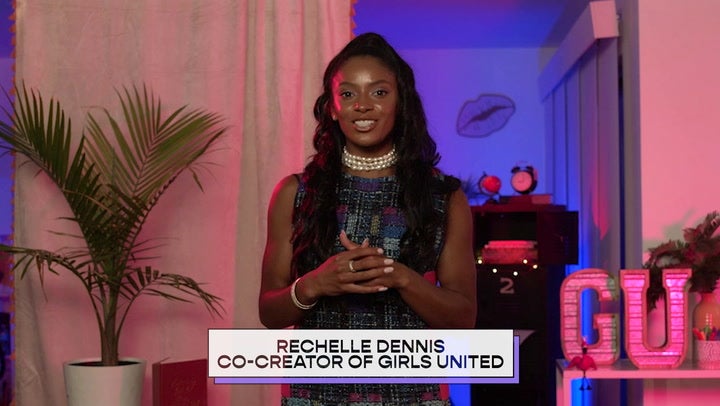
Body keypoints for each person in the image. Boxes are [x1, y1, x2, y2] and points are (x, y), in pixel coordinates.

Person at [259, 32, 477, 405]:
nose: (362, 105)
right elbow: (269, 312)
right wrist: (315, 283)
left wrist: (401, 277)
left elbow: (463, 318)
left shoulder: (444, 197)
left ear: (401, 102)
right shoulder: (295, 193)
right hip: (316, 395)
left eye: (379, 92)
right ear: (332, 108)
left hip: (411, 395)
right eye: (347, 94)